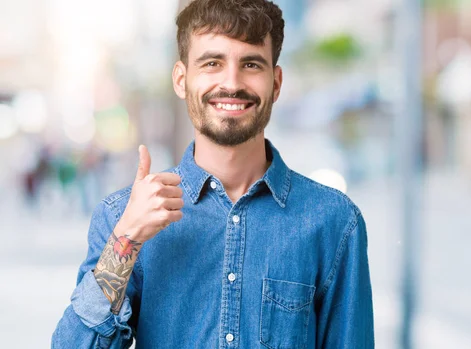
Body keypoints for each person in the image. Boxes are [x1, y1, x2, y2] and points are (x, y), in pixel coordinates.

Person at [52, 0, 374, 347]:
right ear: (181, 79)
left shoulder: (334, 221)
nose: (231, 83)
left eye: (251, 64)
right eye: (212, 63)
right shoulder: (122, 217)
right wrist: (127, 239)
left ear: (276, 83)